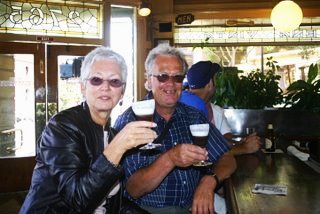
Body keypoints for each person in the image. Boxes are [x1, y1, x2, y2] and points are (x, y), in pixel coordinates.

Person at [20, 46, 157, 213]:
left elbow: (113, 202)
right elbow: (78, 201)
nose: (105, 87)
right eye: (96, 80)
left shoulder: (112, 134)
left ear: (122, 91)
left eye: (114, 81)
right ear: (83, 87)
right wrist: (117, 148)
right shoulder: (61, 127)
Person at [114, 44, 236, 213]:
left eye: (177, 77)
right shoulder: (130, 121)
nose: (171, 84)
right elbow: (133, 189)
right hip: (147, 210)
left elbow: (227, 158)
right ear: (149, 81)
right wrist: (170, 158)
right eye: (163, 77)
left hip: (192, 206)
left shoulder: (193, 116)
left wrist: (209, 181)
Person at [183, 61, 261, 155]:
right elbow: (204, 151)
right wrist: (244, 148)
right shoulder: (188, 109)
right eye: (216, 78)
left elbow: (225, 138)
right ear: (210, 84)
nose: (219, 82)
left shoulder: (216, 110)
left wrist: (240, 143)